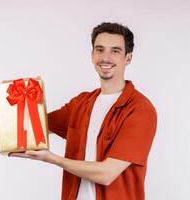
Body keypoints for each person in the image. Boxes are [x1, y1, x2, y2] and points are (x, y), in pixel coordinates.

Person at [9, 22, 157, 200]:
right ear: (92, 54)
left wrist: (51, 158)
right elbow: (34, 125)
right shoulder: (81, 103)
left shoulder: (140, 110)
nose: (106, 57)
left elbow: (107, 174)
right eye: (100, 50)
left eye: (115, 51)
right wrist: (26, 95)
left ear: (128, 58)